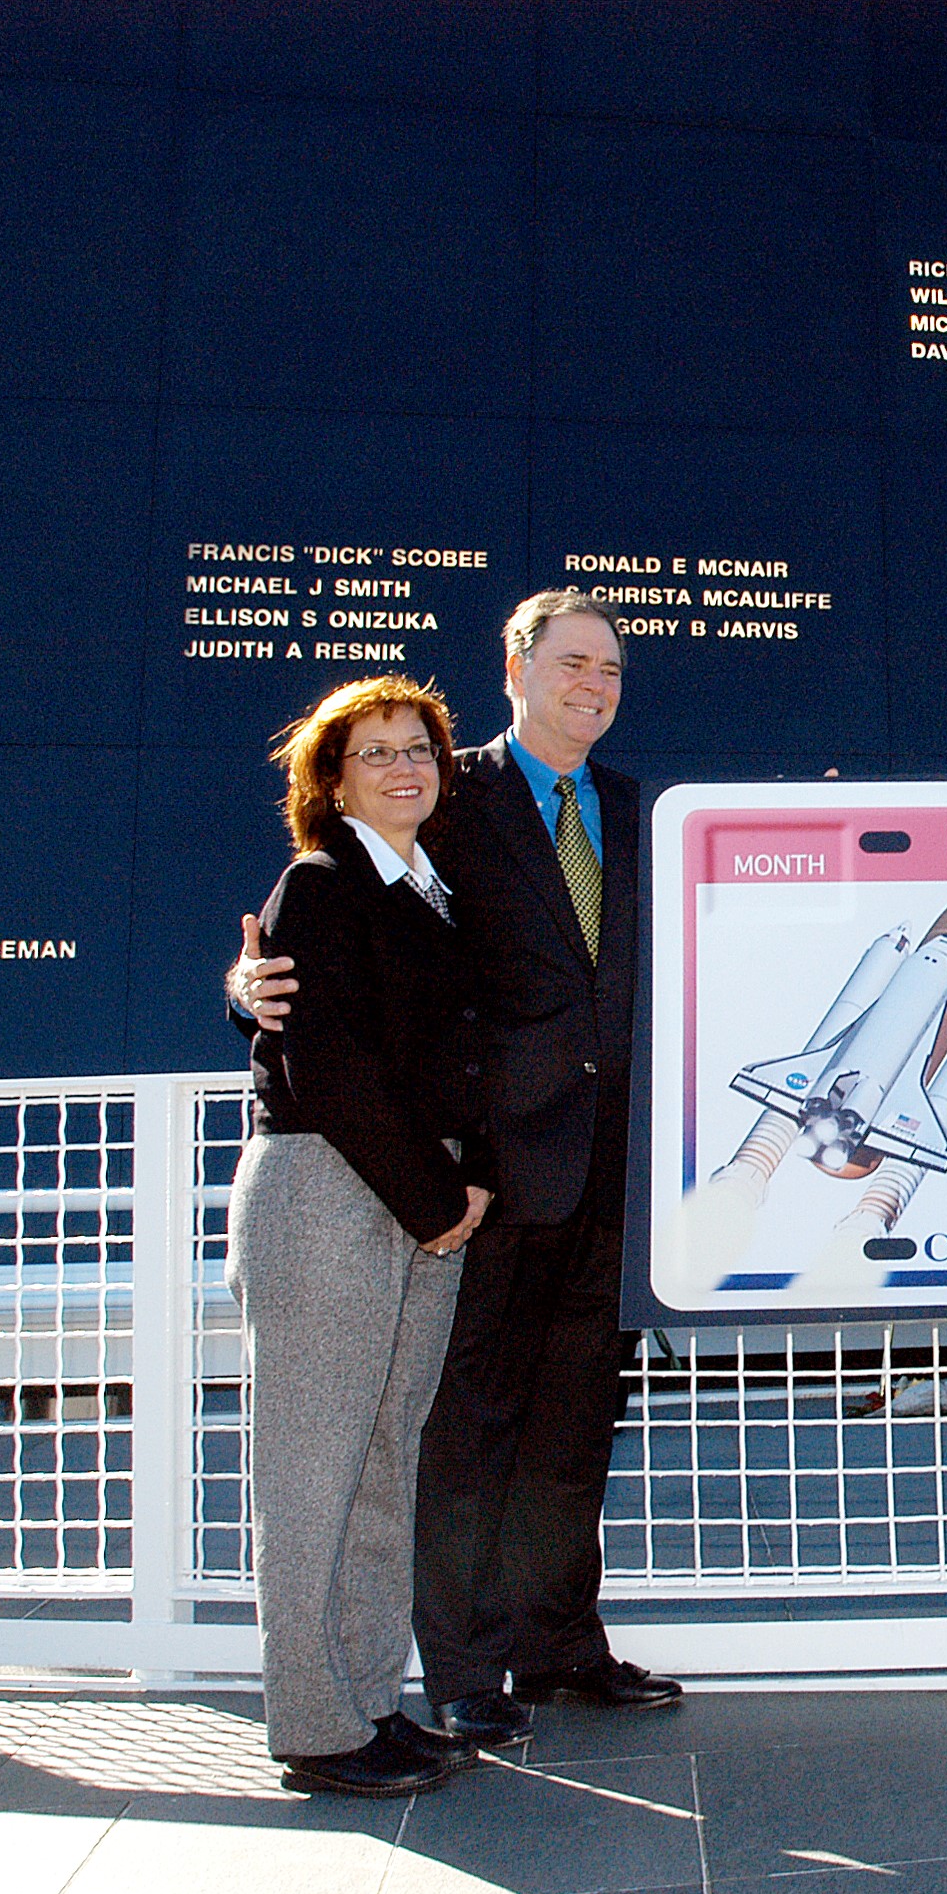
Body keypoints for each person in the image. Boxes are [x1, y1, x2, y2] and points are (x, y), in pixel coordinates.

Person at [237, 590, 677, 1750]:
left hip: (613, 1173)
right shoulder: (447, 790)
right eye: (575, 662)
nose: (596, 685)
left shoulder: (641, 813)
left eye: (613, 671)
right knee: (465, 1425)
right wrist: (245, 994)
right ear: (516, 666)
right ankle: (464, 1668)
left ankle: (560, 1645)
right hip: (484, 1173)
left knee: (576, 1422)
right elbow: (329, 930)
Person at [229, 675, 493, 1796]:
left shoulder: (433, 887)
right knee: (312, 1474)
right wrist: (439, 1205)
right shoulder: (322, 882)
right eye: (375, 752)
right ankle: (316, 1728)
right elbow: (322, 1066)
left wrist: (460, 1189)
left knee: (383, 1463)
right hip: (331, 1200)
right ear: (330, 780)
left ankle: (371, 1702)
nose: (403, 768)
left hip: (417, 1202)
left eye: (420, 749)